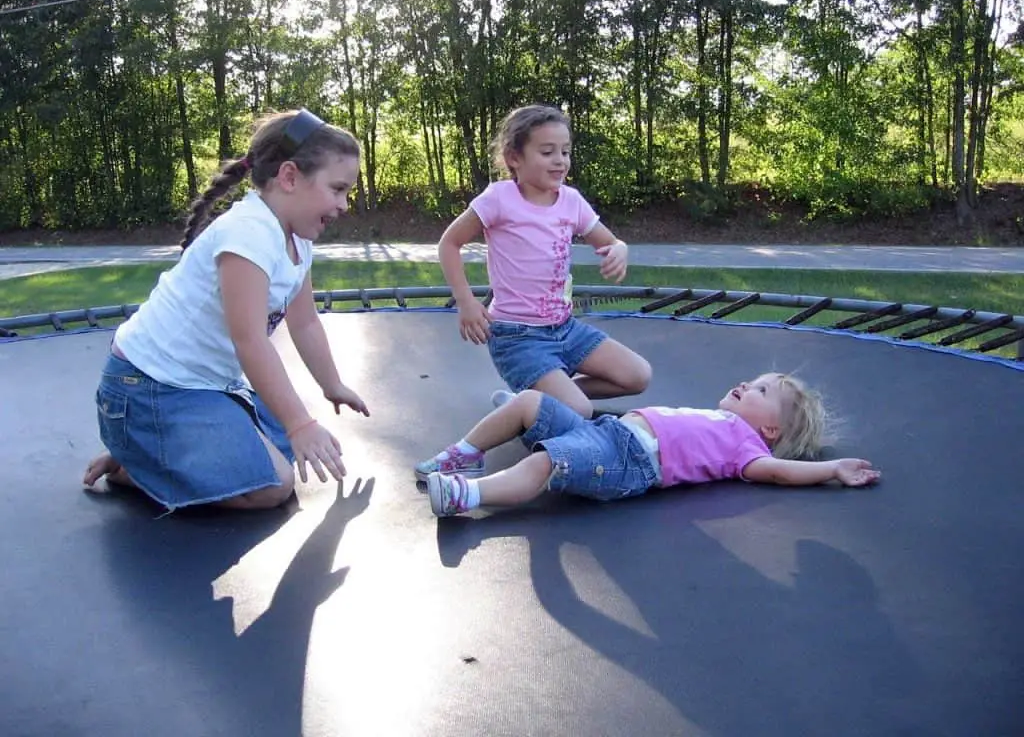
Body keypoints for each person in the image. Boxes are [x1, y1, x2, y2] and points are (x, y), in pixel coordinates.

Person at [82, 108, 369, 511]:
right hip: (147, 387)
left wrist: (331, 385)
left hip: (201, 385)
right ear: (289, 177)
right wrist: (301, 422)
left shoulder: (297, 240)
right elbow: (250, 340)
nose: (343, 204)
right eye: (337, 189)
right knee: (275, 484)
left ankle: (150, 449)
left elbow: (304, 322)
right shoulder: (248, 234)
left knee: (289, 446)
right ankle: (140, 456)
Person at [437, 104, 651, 419]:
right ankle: (539, 404)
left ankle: (536, 397)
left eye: (565, 152)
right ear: (514, 158)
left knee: (637, 375)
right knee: (579, 410)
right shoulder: (499, 198)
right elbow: (449, 243)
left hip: (565, 328)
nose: (560, 160)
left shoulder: (571, 201)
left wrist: (620, 249)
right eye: (548, 152)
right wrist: (466, 302)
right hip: (517, 336)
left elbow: (610, 241)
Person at [414, 372, 880, 517]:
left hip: (625, 463)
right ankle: (465, 452)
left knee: (548, 462)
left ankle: (468, 495)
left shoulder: (746, 449)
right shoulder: (720, 418)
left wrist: (831, 468)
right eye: (753, 380)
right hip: (609, 432)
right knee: (529, 401)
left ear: (772, 431)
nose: (746, 384)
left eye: (761, 392)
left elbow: (781, 472)